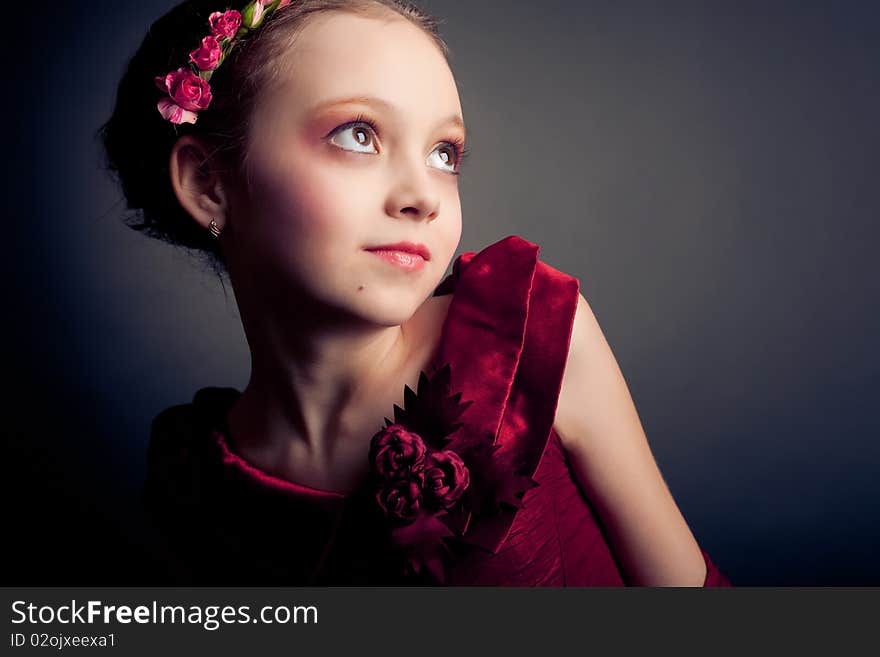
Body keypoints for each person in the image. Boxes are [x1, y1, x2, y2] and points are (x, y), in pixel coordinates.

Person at [100, 0, 732, 586]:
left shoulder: (524, 341)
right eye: (357, 135)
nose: (423, 196)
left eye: (443, 153)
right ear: (208, 182)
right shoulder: (198, 478)